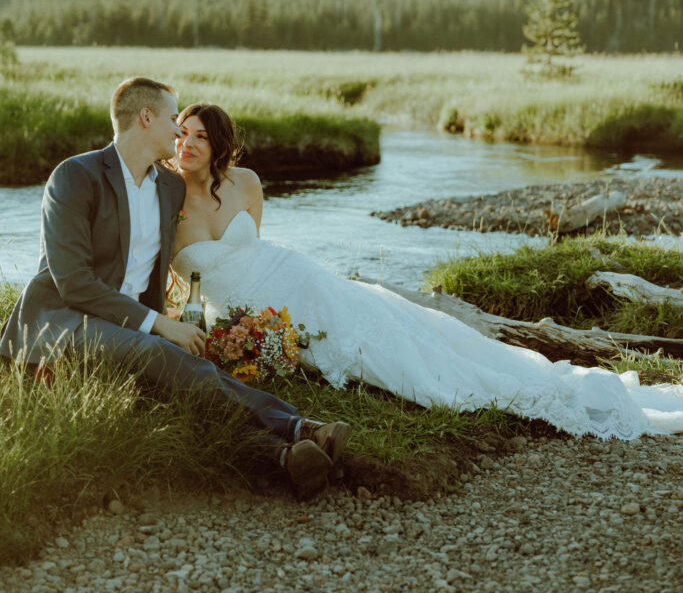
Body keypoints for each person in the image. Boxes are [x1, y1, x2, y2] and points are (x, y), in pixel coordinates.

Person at [172, 102, 683, 441]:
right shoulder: (164, 201)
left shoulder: (246, 183)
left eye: (200, 136)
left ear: (219, 145)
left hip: (300, 279)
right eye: (182, 135)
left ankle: (547, 386)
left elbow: (255, 249)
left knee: (395, 324)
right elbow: (164, 279)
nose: (188, 144)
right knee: (383, 359)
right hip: (252, 315)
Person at [0, 78, 351, 499]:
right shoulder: (75, 176)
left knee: (166, 393)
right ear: (146, 118)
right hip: (65, 321)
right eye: (174, 120)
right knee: (157, 352)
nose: (178, 133)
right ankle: (298, 426)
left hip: (126, 326)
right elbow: (73, 283)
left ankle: (283, 457)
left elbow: (173, 261)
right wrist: (158, 325)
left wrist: (176, 316)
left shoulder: (170, 188)